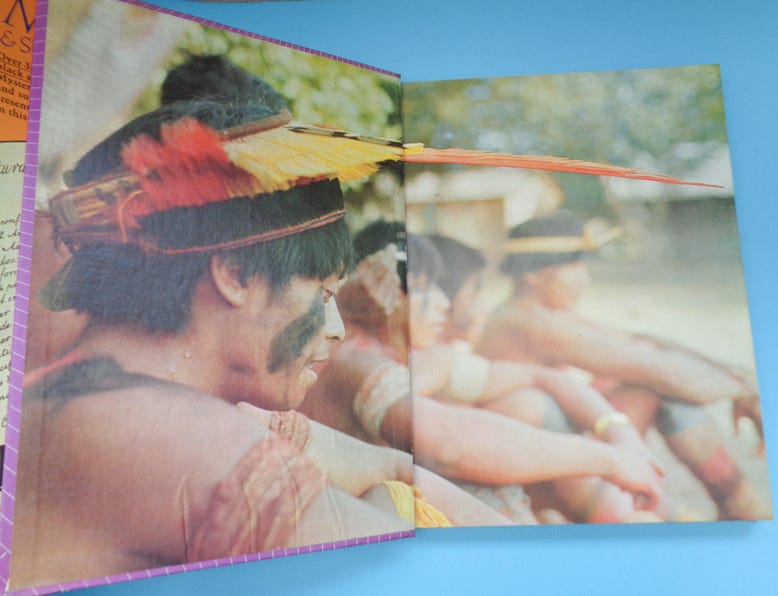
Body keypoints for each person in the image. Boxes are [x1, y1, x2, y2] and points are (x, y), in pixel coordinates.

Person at [10, 97, 456, 590]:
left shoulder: (91, 395)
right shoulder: (164, 431)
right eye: (323, 293)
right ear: (237, 274)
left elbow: (396, 464)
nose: (337, 326)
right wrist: (389, 501)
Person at [300, 221, 663, 524]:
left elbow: (542, 377)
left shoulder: (418, 357)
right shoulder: (353, 360)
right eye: (425, 289)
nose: (443, 303)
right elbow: (449, 446)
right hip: (352, 526)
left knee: (522, 402)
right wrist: (612, 458)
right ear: (381, 290)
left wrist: (620, 435)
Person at [477, 210, 771, 520]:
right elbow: (666, 373)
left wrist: (741, 377)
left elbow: (640, 341)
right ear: (533, 274)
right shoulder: (528, 323)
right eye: (573, 266)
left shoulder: (531, 314)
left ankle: (737, 507)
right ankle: (741, 506)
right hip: (534, 480)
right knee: (657, 382)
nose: (585, 278)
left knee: (648, 378)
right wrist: (743, 388)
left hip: (557, 465)